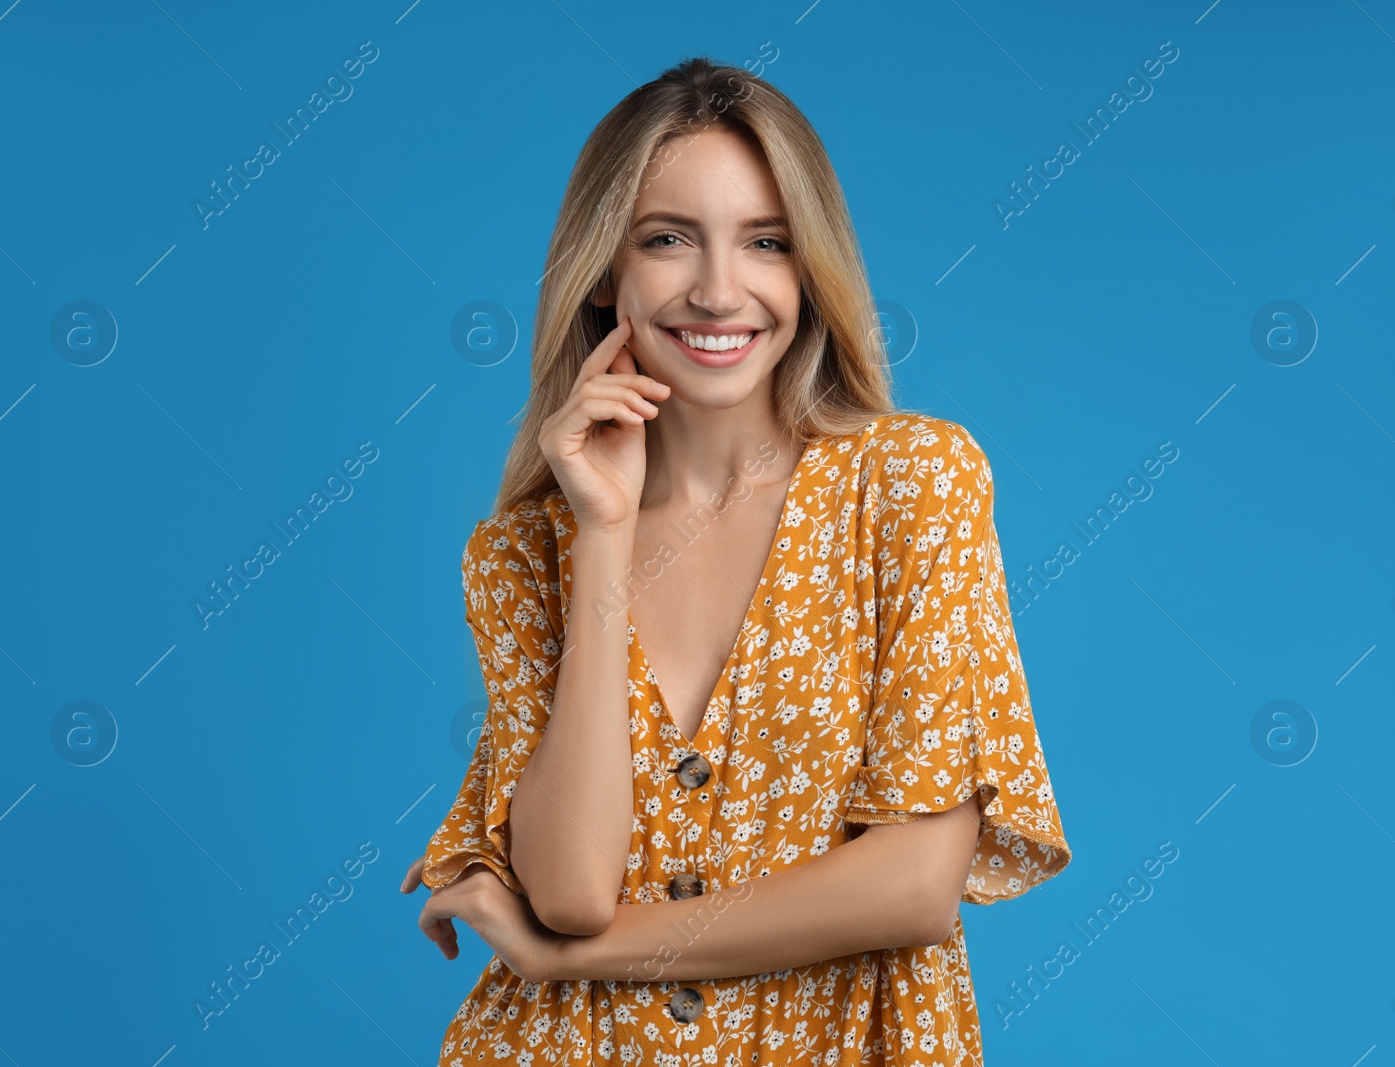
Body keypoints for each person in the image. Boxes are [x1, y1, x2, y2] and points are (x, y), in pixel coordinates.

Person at [399, 55, 1072, 1066]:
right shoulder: (525, 552)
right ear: (603, 271)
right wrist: (604, 532)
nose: (720, 292)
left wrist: (578, 956)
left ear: (810, 269)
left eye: (766, 242)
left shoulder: (911, 482)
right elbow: (571, 889)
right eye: (667, 240)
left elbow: (914, 883)